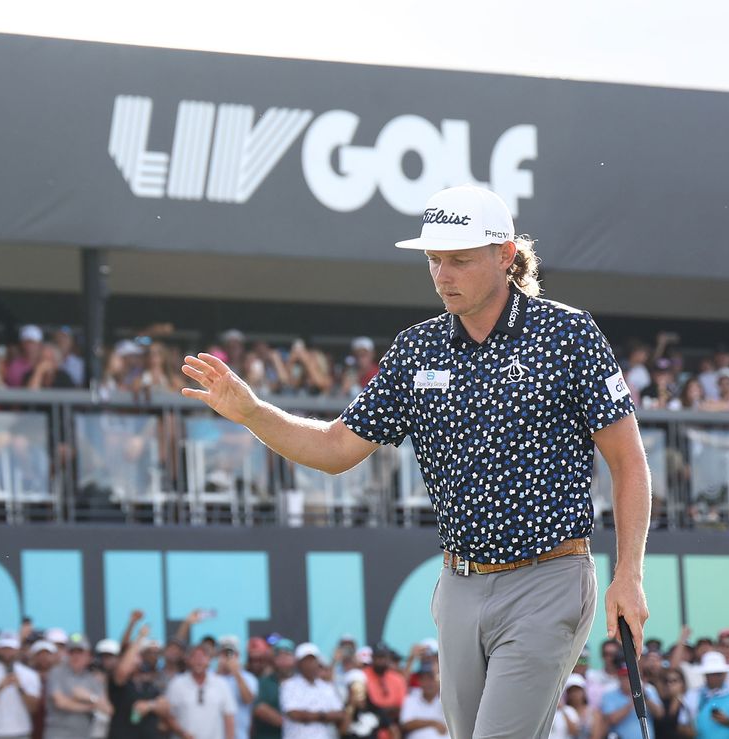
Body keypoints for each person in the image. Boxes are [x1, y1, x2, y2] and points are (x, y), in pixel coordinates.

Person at [180, 185, 650, 739]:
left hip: (549, 579)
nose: (442, 274)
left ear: (504, 255)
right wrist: (254, 412)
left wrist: (629, 574)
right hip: (458, 585)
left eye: (460, 259)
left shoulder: (568, 333)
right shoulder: (415, 348)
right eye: (434, 259)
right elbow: (335, 449)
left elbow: (629, 462)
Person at [166, 644, 235, 739]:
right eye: (195, 656)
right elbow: (168, 715)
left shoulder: (221, 684)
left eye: (203, 656)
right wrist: (182, 733)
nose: (199, 660)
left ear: (209, 660)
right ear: (188, 660)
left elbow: (229, 717)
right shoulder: (177, 683)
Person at [44, 639, 106, 739]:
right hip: (58, 735)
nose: (76, 656)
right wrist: (91, 707)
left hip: (83, 735)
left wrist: (89, 697)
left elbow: (106, 708)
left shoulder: (92, 678)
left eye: (80, 652)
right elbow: (60, 703)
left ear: (88, 656)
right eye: (72, 652)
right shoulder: (56, 672)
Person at [684, 652, 729, 738]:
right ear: (705, 675)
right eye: (712, 674)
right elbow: (682, 724)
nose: (716, 677)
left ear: (725, 674)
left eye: (719, 674)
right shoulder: (693, 695)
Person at [277, 644, 340, 739]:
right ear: (298, 663)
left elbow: (340, 714)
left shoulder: (326, 687)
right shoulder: (289, 685)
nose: (310, 664)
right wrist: (324, 716)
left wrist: (310, 716)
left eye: (313, 660)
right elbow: (294, 714)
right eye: (306, 661)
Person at [594, 664, 662, 739]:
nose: (628, 680)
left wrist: (644, 695)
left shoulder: (649, 690)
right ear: (619, 678)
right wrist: (635, 699)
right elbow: (611, 719)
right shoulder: (609, 694)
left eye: (631, 677)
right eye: (624, 676)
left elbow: (659, 714)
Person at [213, 637, 256, 739]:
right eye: (224, 654)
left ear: (237, 656)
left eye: (231, 654)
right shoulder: (211, 676)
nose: (227, 658)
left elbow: (248, 700)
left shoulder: (249, 678)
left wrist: (236, 673)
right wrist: (219, 672)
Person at [399, 664, 445, 739]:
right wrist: (433, 723)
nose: (427, 683)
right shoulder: (412, 697)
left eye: (431, 678)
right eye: (423, 679)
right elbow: (406, 724)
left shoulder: (446, 699)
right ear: (419, 681)